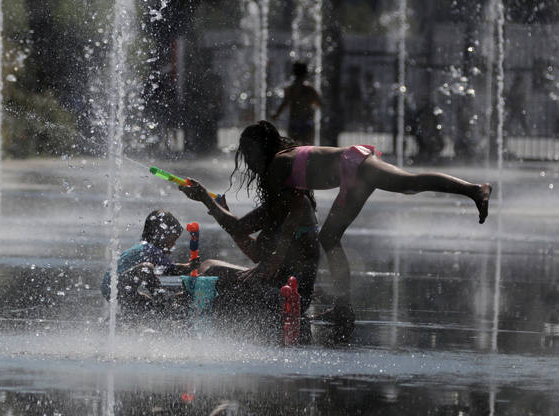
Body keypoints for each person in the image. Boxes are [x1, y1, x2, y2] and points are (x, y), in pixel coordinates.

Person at [233, 120, 491, 338]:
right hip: (355, 162)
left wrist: (275, 255)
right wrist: (278, 252)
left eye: (249, 151)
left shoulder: (278, 164)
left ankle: (474, 190)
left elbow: (282, 214)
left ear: (263, 146)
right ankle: (342, 308)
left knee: (407, 184)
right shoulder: (285, 158)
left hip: (352, 166)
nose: (247, 159)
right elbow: (294, 206)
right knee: (333, 235)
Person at [178, 173, 320, 330]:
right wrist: (223, 210)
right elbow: (257, 254)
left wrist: (205, 198)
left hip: (289, 296)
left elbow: (238, 227)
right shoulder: (284, 203)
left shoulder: (292, 202)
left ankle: (194, 325)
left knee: (211, 274)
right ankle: (191, 316)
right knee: (208, 265)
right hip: (274, 283)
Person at [101, 209, 192, 319]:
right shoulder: (149, 249)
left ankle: (124, 322)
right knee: (146, 269)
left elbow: (166, 271)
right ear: (160, 235)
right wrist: (190, 267)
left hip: (115, 286)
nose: (173, 245)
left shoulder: (145, 248)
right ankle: (161, 299)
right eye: (172, 240)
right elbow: (171, 269)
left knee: (147, 306)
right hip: (115, 284)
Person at [271, 61, 322, 144]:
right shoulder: (310, 89)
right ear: (306, 73)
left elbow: (284, 103)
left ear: (294, 73)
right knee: (308, 149)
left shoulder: (290, 88)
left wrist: (276, 114)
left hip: (294, 122)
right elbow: (319, 104)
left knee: (294, 149)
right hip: (307, 122)